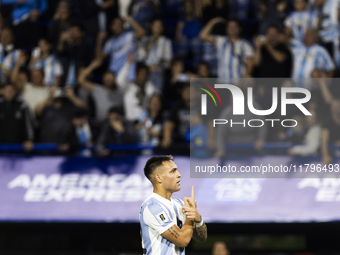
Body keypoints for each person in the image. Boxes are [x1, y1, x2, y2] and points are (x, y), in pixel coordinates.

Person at [140, 155, 207, 255]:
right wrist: (190, 217)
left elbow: (202, 238)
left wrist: (198, 220)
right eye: (173, 171)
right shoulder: (152, 207)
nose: (179, 175)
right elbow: (182, 240)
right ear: (158, 178)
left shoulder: (179, 204)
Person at [200, 18, 254, 82]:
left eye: (234, 26)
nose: (232, 29)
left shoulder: (245, 45)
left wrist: (243, 81)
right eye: (229, 26)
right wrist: (214, 21)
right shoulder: (221, 41)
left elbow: (250, 65)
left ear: (239, 29)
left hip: (238, 83)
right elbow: (203, 35)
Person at [78, 57, 123, 123]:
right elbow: (81, 80)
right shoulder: (98, 89)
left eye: (110, 77)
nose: (108, 79)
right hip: (101, 124)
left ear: (115, 79)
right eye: (106, 77)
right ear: (103, 79)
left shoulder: (121, 92)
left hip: (117, 124)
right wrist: (93, 66)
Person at [0, 83, 34, 151]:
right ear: (3, 91)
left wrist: (29, 139)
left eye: (11, 90)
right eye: (7, 90)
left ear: (15, 91)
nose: (9, 92)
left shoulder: (22, 105)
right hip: (2, 146)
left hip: (19, 146)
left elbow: (28, 124)